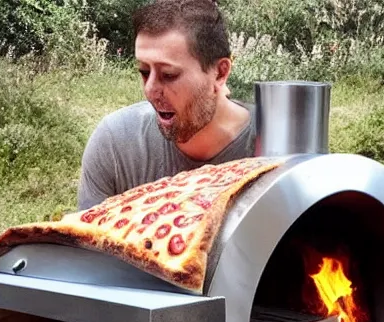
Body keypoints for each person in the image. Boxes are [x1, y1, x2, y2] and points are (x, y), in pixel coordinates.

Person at [77, 0, 256, 211]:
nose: (150, 89)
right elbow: (85, 239)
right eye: (144, 72)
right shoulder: (115, 144)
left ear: (220, 73)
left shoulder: (276, 146)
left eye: (169, 75)